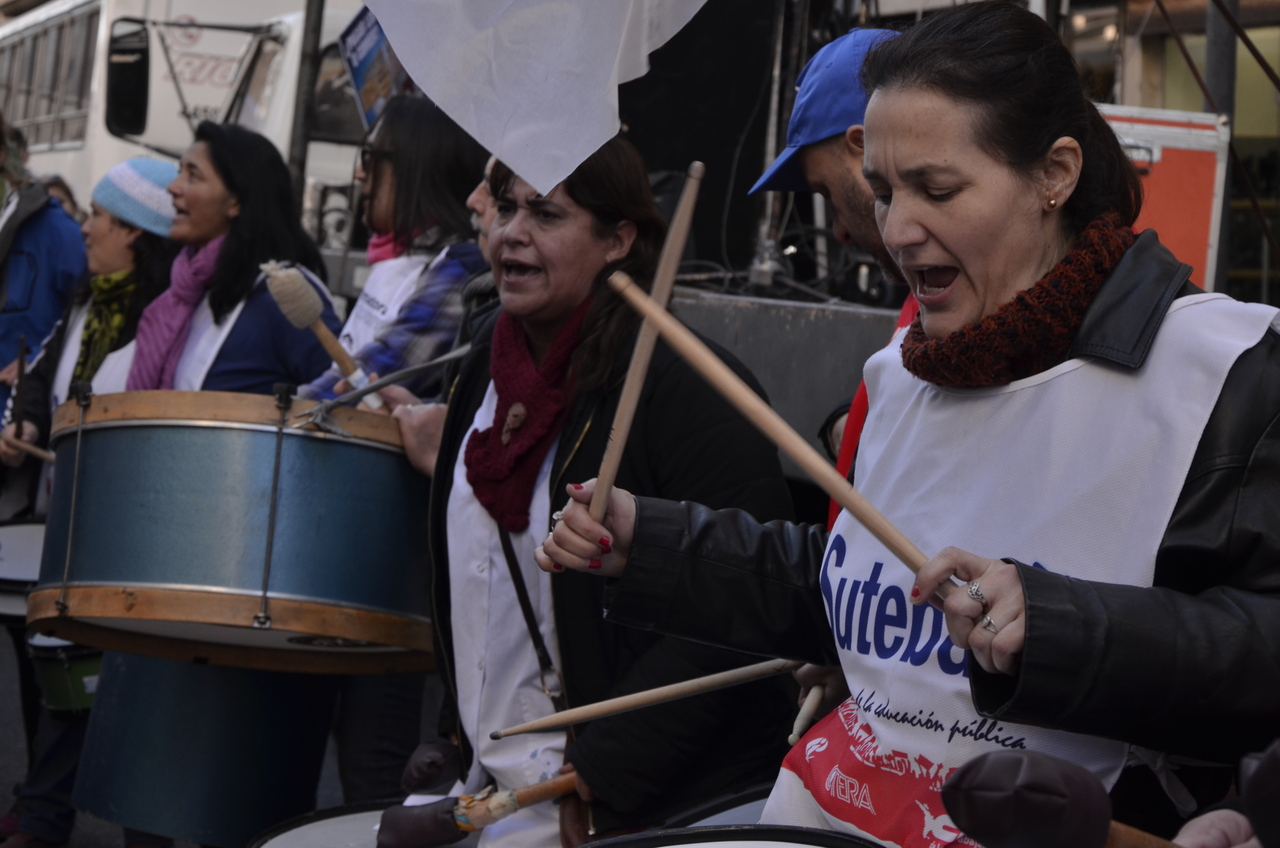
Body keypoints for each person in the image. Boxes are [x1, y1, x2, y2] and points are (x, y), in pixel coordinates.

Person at [539, 2, 1280, 842]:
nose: (896, 230)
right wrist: (653, 542)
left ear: (1055, 174)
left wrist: (1065, 627)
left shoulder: (1224, 372)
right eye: (885, 192)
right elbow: (858, 588)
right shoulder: (900, 371)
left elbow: (1261, 650)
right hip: (837, 816)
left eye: (937, 189)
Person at [380, 136, 796, 848]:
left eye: (545, 213)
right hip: (496, 789)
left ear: (618, 240)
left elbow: (748, 609)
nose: (512, 232)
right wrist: (457, 729)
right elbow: (479, 584)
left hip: (629, 809)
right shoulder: (485, 366)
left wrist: (606, 768)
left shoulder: (690, 388)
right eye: (506, 207)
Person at [72, 123, 343, 848]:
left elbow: (349, 405)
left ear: (238, 200)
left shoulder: (286, 294)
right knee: (145, 791)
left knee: (237, 797)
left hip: (246, 589)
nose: (174, 188)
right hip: (160, 574)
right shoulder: (185, 292)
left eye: (193, 174)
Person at [0, 157, 178, 848]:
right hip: (62, 514)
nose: (85, 227)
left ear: (134, 231)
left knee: (89, 674)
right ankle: (41, 810)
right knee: (49, 663)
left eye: (98, 216)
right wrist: (26, 424)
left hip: (122, 531)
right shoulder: (85, 298)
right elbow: (40, 372)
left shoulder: (160, 318)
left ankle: (49, 815)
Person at [301, 96, 488, 402]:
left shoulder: (459, 269)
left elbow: (373, 375)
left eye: (370, 158)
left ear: (418, 166)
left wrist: (280, 414)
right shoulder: (400, 257)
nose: (359, 174)